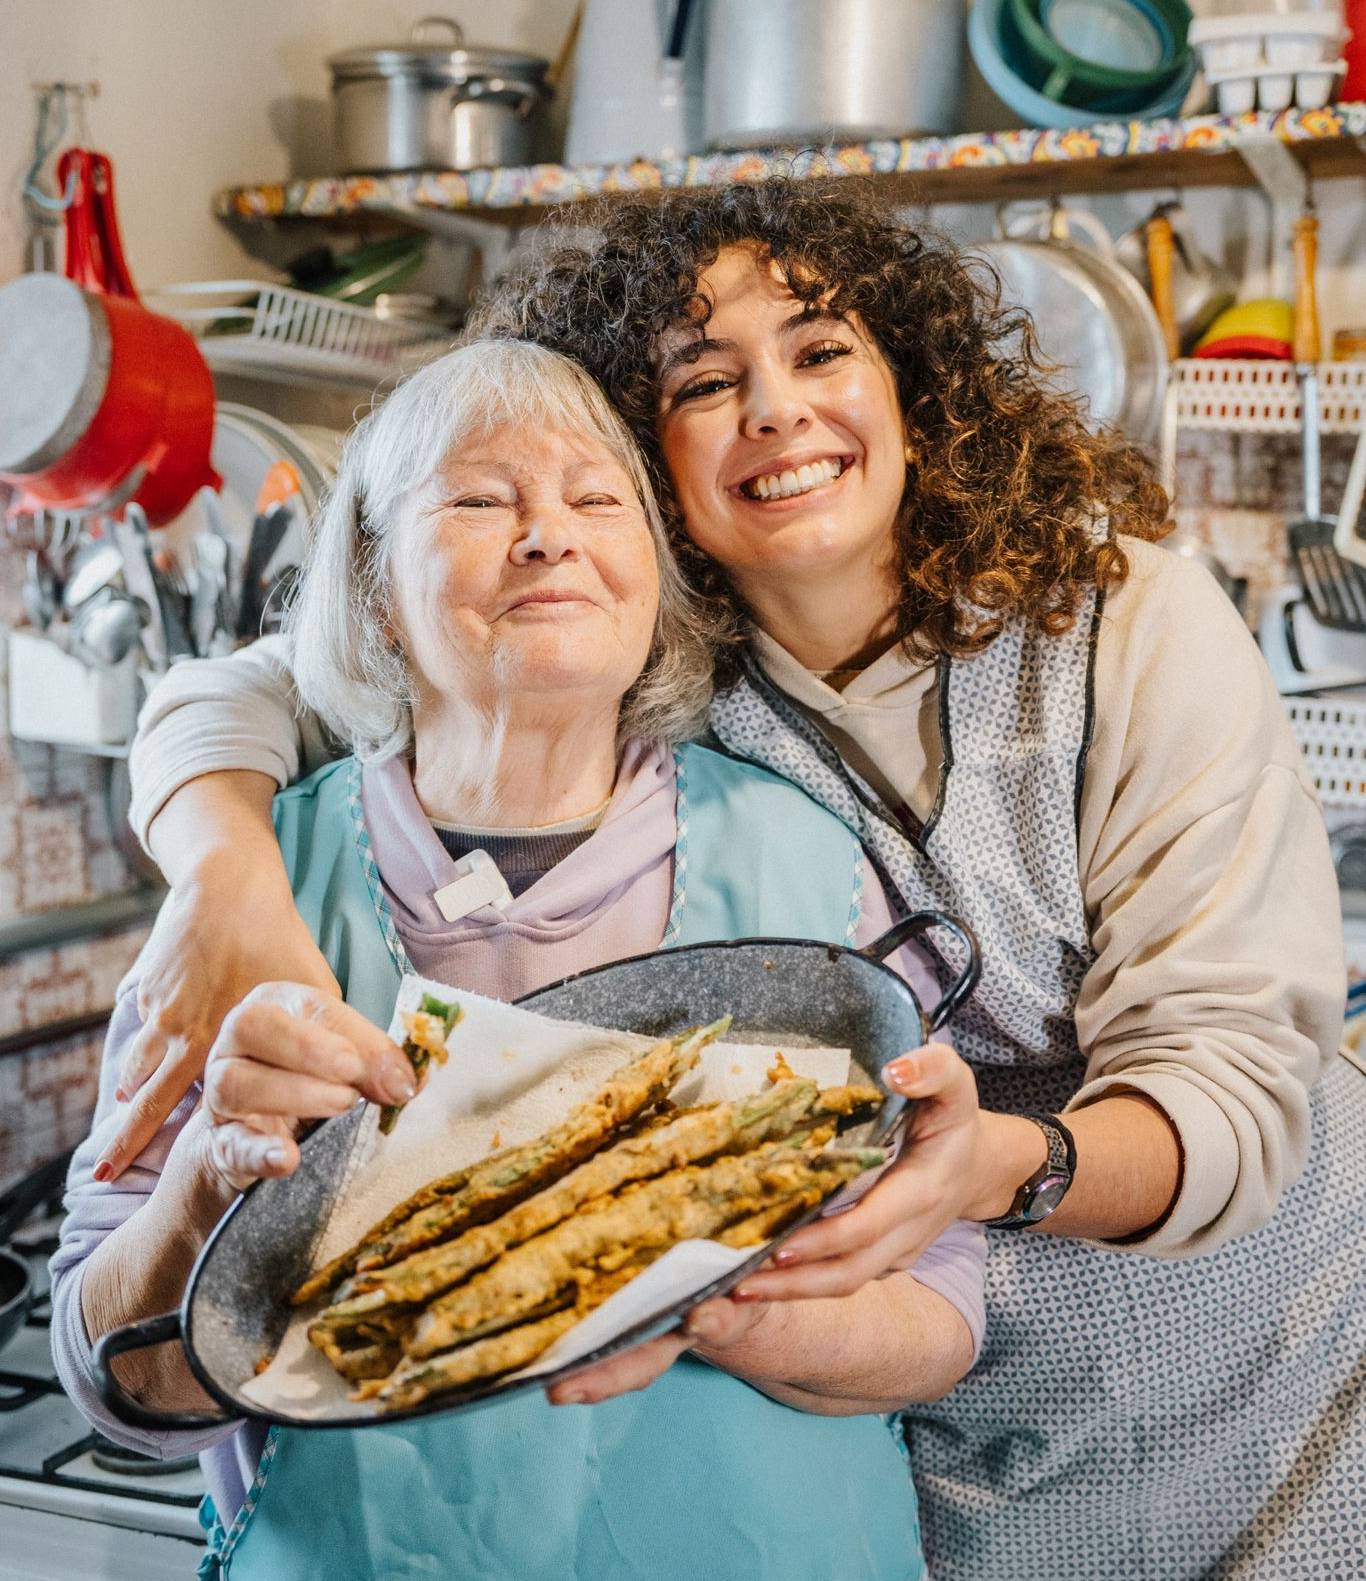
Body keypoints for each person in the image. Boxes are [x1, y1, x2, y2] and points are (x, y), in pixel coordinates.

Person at [96, 181, 1363, 1577]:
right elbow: (268, 674)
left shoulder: (1118, 623)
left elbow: (1230, 1086)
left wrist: (986, 1163)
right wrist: (223, 867)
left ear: (913, 391)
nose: (775, 410)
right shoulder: (648, 664)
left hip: (1253, 1335)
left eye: (821, 352)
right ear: (655, 469)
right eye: (708, 382)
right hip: (938, 1392)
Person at [52, 339, 987, 1581]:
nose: (550, 535)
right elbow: (111, 1383)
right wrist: (204, 1200)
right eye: (483, 500)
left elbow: (943, 1314)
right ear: (376, 587)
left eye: (598, 500)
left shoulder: (807, 861)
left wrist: (697, 1296)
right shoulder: (251, 884)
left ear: (652, 571)